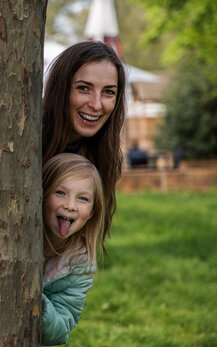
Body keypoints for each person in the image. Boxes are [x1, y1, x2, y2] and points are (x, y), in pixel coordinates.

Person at [42, 41, 127, 251]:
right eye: (83, 88)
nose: (97, 105)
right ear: (61, 88)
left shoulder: (97, 154)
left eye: (108, 92)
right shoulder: (28, 138)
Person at [41, 153, 106, 347]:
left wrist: (38, 304)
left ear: (93, 212)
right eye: (60, 192)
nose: (70, 205)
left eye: (82, 198)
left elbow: (61, 329)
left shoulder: (79, 266)